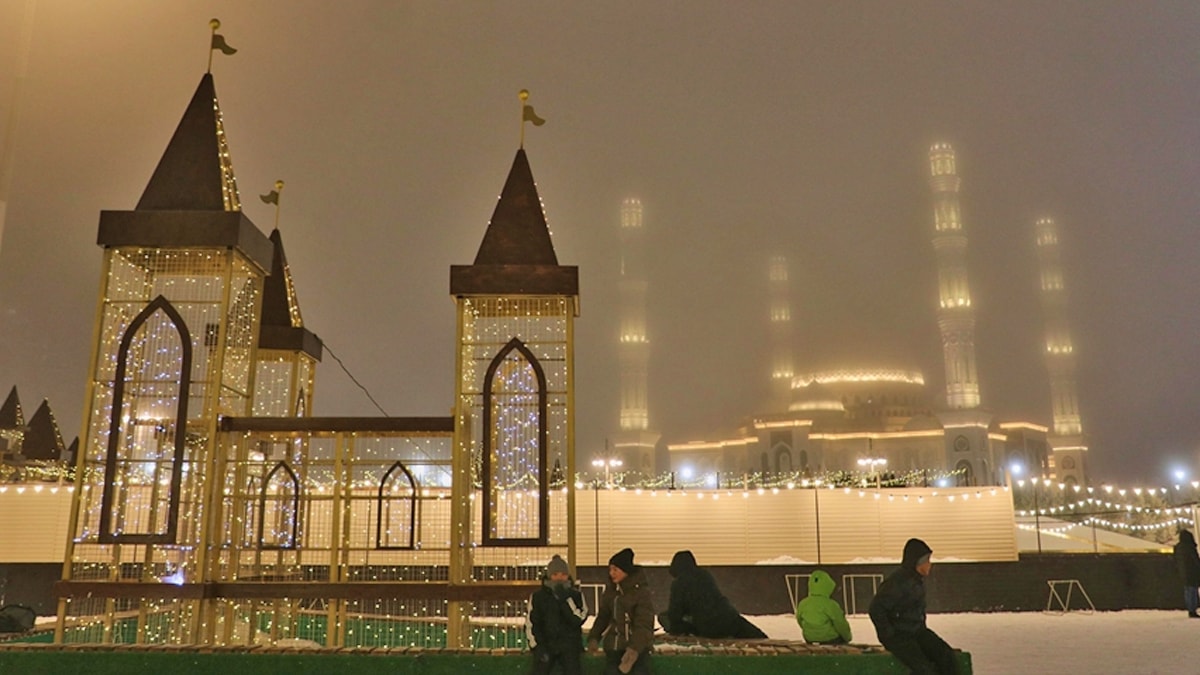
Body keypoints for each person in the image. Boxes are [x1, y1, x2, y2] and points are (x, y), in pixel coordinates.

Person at [868, 538, 959, 675]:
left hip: (917, 631)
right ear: (918, 563)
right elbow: (876, 609)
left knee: (946, 656)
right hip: (899, 636)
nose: (930, 565)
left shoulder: (916, 580)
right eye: (927, 560)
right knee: (924, 669)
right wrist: (889, 634)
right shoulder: (898, 582)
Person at [658, 550, 766, 639]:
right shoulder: (705, 575)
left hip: (707, 627)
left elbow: (675, 614)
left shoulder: (678, 583)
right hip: (729, 617)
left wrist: (677, 629)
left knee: (663, 617)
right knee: (757, 636)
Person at [587, 548, 654, 674]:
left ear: (626, 571)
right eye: (610, 569)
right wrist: (594, 637)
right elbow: (603, 617)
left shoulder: (641, 593)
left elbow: (644, 625)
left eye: (615, 570)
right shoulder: (611, 592)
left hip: (637, 650)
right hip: (614, 647)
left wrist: (633, 650)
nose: (611, 573)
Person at [527, 554, 587, 675]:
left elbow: (579, 619)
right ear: (549, 575)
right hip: (545, 645)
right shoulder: (538, 597)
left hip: (570, 647)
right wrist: (536, 646)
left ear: (568, 576)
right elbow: (532, 623)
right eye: (555, 574)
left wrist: (566, 600)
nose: (559, 578)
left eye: (563, 574)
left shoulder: (576, 595)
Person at [795, 569, 852, 644]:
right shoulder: (831, 605)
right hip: (830, 639)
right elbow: (840, 624)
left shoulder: (803, 603)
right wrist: (847, 637)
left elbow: (799, 620)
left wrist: (810, 630)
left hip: (809, 638)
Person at [1173, 529, 1200, 618]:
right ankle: (1193, 609)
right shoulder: (1190, 547)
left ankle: (1190, 609)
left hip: (1183, 573)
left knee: (1188, 591)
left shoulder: (1178, 548)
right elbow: (1195, 560)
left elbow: (1175, 561)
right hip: (1193, 572)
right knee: (1193, 591)